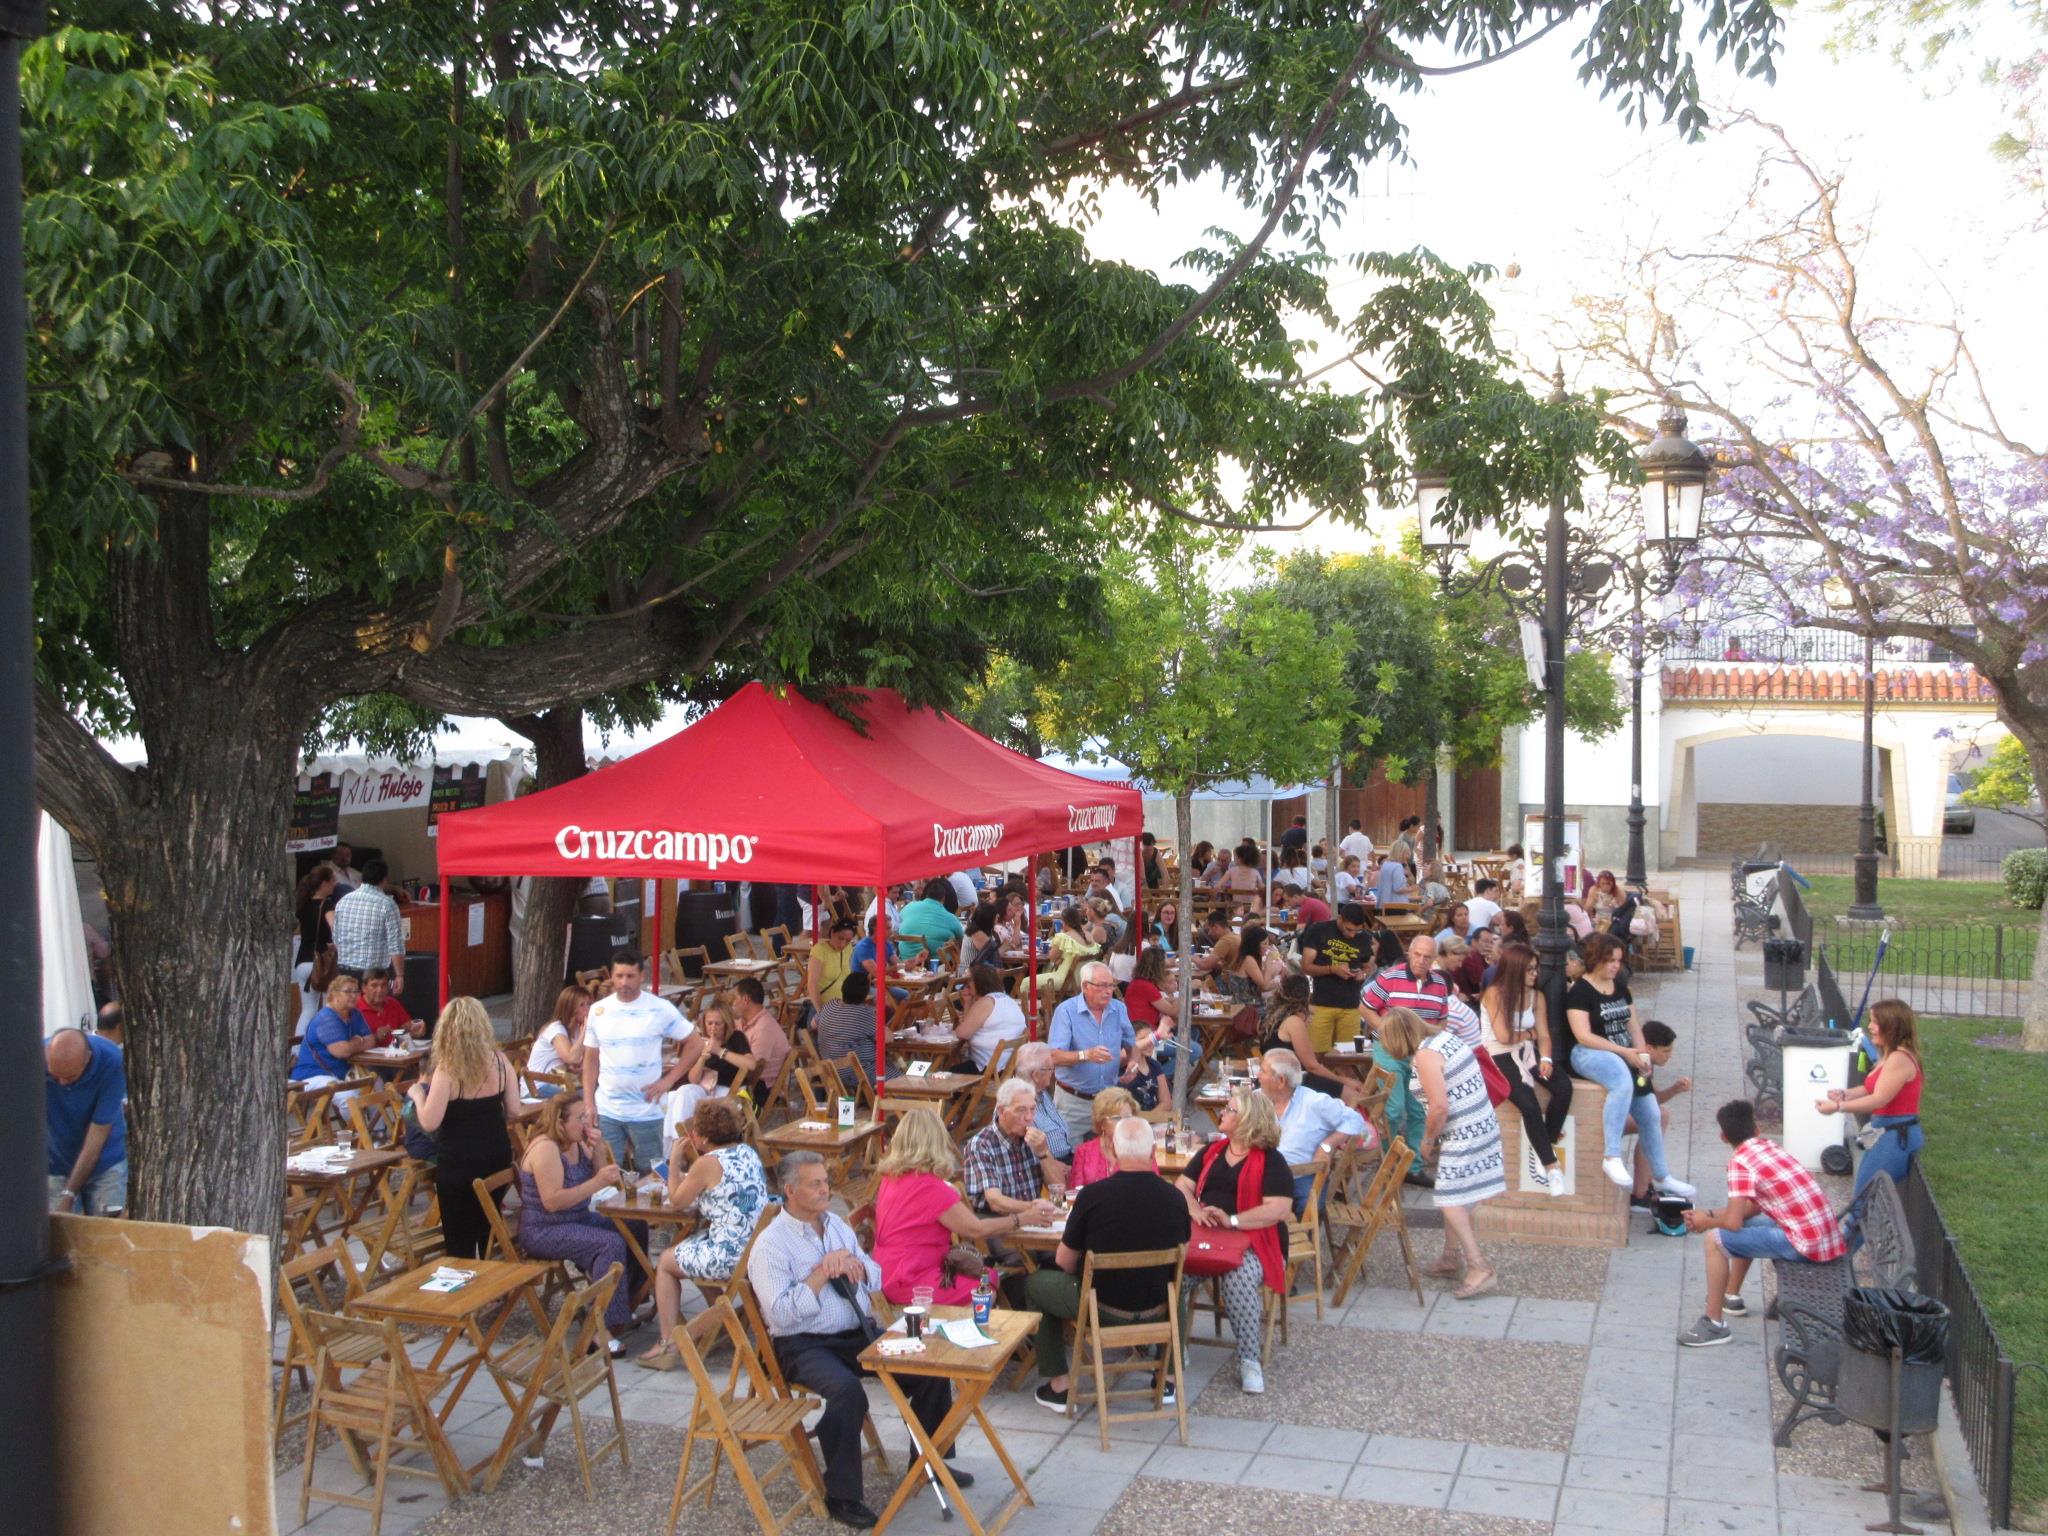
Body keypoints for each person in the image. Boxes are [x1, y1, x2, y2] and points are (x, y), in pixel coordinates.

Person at [748, 1151, 958, 1528]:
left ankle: (928, 1463)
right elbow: (780, 1315)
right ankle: (842, 1495)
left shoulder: (837, 1226)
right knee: (847, 1392)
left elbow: (877, 1276)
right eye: (815, 1184)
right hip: (803, 1344)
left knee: (928, 1366)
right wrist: (821, 1273)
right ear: (790, 1191)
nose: (825, 1189)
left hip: (856, 1331)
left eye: (826, 1182)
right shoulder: (771, 1244)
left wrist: (855, 1264)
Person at [1027, 1114, 1189, 1410]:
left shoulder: (1092, 1197)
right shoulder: (1175, 1199)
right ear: (1153, 1152)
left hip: (1100, 1308)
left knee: (1036, 1284)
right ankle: (1167, 1378)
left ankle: (1060, 1385)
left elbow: (1063, 1261)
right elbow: (1181, 1258)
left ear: (1113, 1150)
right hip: (1157, 1307)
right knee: (1176, 1285)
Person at [1679, 1099, 1846, 1347]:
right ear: (1757, 1129)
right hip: (1823, 1237)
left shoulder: (1740, 1163)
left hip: (1806, 1245)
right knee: (1750, 1224)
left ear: (1723, 1137)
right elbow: (1752, 1208)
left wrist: (1707, 1222)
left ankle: (1714, 1325)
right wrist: (1710, 1215)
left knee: (1714, 1241)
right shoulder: (1768, 1147)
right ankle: (1730, 1296)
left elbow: (1733, 1223)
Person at [1376, 1005, 1505, 1298]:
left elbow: (1439, 1107)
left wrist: (1427, 1140)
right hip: (1480, 1123)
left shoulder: (1426, 1055)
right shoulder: (1444, 1038)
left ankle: (1479, 1265)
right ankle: (1450, 1257)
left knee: (1449, 1198)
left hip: (1465, 1132)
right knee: (1457, 1196)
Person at [1173, 1085, 1293, 1395]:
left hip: (1256, 1241)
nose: (1222, 1113)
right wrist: (1195, 1210)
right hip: (1209, 1238)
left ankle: (1249, 1360)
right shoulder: (1212, 1152)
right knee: (1171, 1272)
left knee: (1238, 1279)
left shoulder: (1272, 1161)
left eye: (1229, 1109)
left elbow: (1279, 1209)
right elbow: (1182, 1186)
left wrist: (1233, 1220)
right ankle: (1173, 1346)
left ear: (1248, 1119)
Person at [639, 1097, 771, 1368]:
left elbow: (677, 1202)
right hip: (757, 1248)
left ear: (702, 1136)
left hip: (732, 1255)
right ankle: (721, 1320)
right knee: (691, 1251)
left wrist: (673, 1163)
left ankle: (667, 1344)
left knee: (666, 1262)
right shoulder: (747, 1152)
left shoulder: (707, 1163)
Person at [874, 1106, 1054, 1304]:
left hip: (888, 1271)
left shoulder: (891, 1178)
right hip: (911, 1278)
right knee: (985, 1286)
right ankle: (971, 1324)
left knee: (982, 1275)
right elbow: (975, 1229)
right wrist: (1021, 1219)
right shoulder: (930, 1187)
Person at [1565, 934, 1694, 1197]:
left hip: (1625, 1052)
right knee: (1621, 1079)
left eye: (1618, 961)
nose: (1616, 966)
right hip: (1591, 1052)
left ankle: (1661, 1175)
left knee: (1651, 1112)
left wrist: (1642, 1056)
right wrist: (1626, 1052)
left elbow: (1633, 1026)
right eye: (1610, 960)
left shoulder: (1621, 987)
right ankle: (1611, 1155)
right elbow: (1583, 1035)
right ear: (1596, 959)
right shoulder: (1580, 991)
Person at [516, 1092, 643, 1337]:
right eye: (580, 1118)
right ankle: (600, 1328)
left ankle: (626, 1301)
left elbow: (598, 1175)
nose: (586, 1122)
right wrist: (597, 1182)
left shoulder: (575, 1142)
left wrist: (598, 1149)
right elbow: (552, 1202)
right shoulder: (546, 1148)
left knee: (633, 1225)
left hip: (577, 1218)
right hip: (545, 1229)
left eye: (585, 1116)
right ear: (559, 1122)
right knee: (609, 1243)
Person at [416, 996, 521, 1260]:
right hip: (495, 1153)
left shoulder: (447, 1070)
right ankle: (491, 1275)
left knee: (459, 1237)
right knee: (488, 1224)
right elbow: (514, 1111)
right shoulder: (500, 1061)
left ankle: (465, 1280)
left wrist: (418, 1096)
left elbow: (429, 1122)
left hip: (460, 1160)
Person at [581, 951, 697, 1173]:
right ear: (611, 976)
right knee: (607, 1171)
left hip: (646, 1110)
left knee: (653, 1171)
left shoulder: (660, 1008)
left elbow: (695, 1043)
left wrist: (669, 1081)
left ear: (642, 976)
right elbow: (591, 1058)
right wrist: (588, 1103)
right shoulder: (598, 1010)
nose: (624, 982)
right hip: (607, 1109)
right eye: (619, 976)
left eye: (630, 976)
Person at [1479, 942, 1570, 1196]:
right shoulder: (1495, 993)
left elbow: (1544, 1034)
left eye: (1535, 968)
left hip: (1526, 1050)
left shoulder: (1536, 996)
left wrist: (1547, 1059)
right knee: (1528, 1104)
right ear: (1515, 969)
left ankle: (1544, 1146)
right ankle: (1551, 1166)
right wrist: (1529, 1034)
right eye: (1529, 969)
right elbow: (1503, 1036)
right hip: (1498, 1053)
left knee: (1563, 1087)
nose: (1534, 973)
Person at [1818, 998, 1924, 1211]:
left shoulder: (1899, 1059)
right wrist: (1845, 1094)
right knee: (1863, 1197)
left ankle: (1849, 1235)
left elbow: (1879, 1099)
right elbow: (1870, 1088)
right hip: (1885, 1131)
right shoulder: (1889, 1055)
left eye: (1876, 1022)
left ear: (1891, 1026)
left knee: (1862, 1200)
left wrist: (1838, 1108)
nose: (1870, 1027)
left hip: (1896, 1136)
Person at [1362, 935, 1450, 1187]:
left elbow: (1442, 1019)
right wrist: (1387, 1030)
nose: (1421, 960)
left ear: (1434, 959)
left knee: (1418, 1109)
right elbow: (1365, 1007)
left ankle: (1413, 1167)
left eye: (1427, 957)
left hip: (1419, 1054)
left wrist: (1432, 1040)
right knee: (1393, 1108)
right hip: (1389, 1048)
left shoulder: (1439, 984)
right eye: (1417, 954)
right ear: (1409, 953)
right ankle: (1388, 1163)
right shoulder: (1390, 977)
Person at [1259, 1048, 1368, 1210]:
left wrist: (1327, 1144)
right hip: (1262, 1174)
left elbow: (1355, 1120)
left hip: (1301, 1175)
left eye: (1263, 1071)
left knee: (1309, 1207)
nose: (1258, 1075)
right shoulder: (1257, 1099)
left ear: (1281, 1081)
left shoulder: (1314, 1102)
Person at [1047, 961, 1137, 1144]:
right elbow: (1053, 1056)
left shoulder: (1119, 1009)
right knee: (1070, 1154)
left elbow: (1131, 1043)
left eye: (1111, 985)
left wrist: (1133, 1062)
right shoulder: (1066, 1011)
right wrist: (1085, 1055)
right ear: (1085, 986)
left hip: (1109, 1100)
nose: (1108, 991)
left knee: (1111, 1152)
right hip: (1073, 1101)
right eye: (1102, 985)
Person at [46, 1028, 127, 1216]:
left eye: (69, 1078)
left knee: (107, 1230)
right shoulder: (34, 1057)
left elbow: (96, 1138)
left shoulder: (112, 1062)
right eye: (55, 1076)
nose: (62, 1084)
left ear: (87, 1059)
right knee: (58, 1231)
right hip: (55, 1163)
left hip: (105, 1163)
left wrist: (69, 1194)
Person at [963, 1077, 1072, 1215]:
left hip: (1034, 1219)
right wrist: (1033, 1208)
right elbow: (995, 1202)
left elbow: (1059, 1191)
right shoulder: (981, 1144)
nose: (1029, 1117)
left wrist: (1044, 1153)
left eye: (1033, 1109)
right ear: (1001, 1111)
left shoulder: (1035, 1140)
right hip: (996, 1221)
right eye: (1021, 1110)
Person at [1294, 902, 1372, 1056]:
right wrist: (1332, 969)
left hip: (1351, 1005)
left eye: (1357, 931)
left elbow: (1367, 966)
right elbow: (1306, 966)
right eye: (1349, 929)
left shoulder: (1364, 938)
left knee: (1349, 1056)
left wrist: (1362, 974)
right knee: (1317, 1054)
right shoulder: (1319, 930)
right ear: (1340, 919)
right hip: (1321, 1003)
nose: (1352, 935)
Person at [1629, 1021, 1693, 1207]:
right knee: (1657, 1118)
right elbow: (1649, 1103)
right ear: (1649, 1048)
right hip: (1611, 1115)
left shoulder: (1645, 1060)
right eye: (1666, 1051)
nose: (1669, 1056)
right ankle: (1641, 1192)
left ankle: (1645, 1185)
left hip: (1628, 1110)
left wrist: (1674, 1089)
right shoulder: (1638, 1062)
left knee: (1657, 1116)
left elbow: (1651, 1098)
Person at [1258, 978, 1353, 1099]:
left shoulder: (1268, 1019)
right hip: (1293, 1081)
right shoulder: (1294, 1022)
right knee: (1352, 1095)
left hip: (1272, 1077)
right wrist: (1344, 1081)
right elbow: (1312, 1066)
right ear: (1307, 997)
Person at [290, 974, 372, 1087]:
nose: (353, 995)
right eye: (348, 991)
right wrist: (359, 1040)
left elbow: (371, 1041)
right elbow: (342, 1051)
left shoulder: (355, 1013)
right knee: (349, 1094)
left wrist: (351, 1045)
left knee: (377, 1083)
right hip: (312, 1076)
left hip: (341, 1076)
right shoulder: (326, 1018)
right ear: (334, 994)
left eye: (356, 991)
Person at [332, 859, 405, 984]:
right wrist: (399, 975)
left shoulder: (343, 901)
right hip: (373, 974)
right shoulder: (387, 904)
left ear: (362, 877)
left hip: (345, 970)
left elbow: (336, 938)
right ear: (384, 879)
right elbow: (395, 944)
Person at [1066, 1085, 1152, 1188]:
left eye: (1127, 1117)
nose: (1123, 1123)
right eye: (1117, 1118)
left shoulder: (1142, 1149)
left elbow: (1152, 1187)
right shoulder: (1084, 1152)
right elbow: (1076, 1192)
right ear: (1101, 1122)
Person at [953, 964, 1028, 1071]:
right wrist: (968, 1003)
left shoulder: (985, 1003)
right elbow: (970, 1026)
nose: (967, 984)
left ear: (979, 983)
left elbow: (962, 1034)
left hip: (988, 1069)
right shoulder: (1007, 999)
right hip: (1007, 1067)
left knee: (941, 1075)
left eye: (969, 981)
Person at [292, 862, 337, 1035]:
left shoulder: (303, 905)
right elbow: (334, 927)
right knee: (328, 1007)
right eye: (332, 881)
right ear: (324, 883)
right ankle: (326, 1043)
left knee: (308, 1010)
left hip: (302, 962)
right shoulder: (326, 905)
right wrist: (337, 943)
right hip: (321, 963)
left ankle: (297, 1047)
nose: (334, 885)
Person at [815, 970, 879, 1085]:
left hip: (832, 1071)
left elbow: (812, 1024)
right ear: (865, 994)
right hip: (861, 1072)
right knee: (903, 1079)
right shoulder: (864, 1014)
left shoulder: (830, 1005)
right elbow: (886, 1038)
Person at [1015, 1041, 1077, 1159]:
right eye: (1051, 1069)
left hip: (1067, 1156)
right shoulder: (1018, 1105)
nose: (1053, 1072)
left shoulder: (1040, 1091)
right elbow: (1024, 1156)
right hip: (1048, 1165)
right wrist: (1056, 1165)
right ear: (1036, 1075)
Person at [733, 977, 791, 1101]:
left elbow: (752, 1071)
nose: (732, 1004)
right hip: (747, 1083)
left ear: (745, 1000)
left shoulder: (763, 1029)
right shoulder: (744, 1021)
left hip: (759, 1090)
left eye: (735, 999)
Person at [526, 985, 591, 1093]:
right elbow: (571, 1058)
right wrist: (586, 1030)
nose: (587, 1009)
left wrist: (579, 1065)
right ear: (570, 1008)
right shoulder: (556, 1029)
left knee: (597, 1086)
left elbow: (580, 1060)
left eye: (588, 1004)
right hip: (538, 1086)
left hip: (560, 1079)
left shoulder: (577, 1030)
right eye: (582, 1005)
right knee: (589, 1093)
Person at [1037, 903, 1101, 997]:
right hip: (1085, 980)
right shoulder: (1089, 935)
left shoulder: (1064, 937)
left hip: (1065, 981)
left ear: (1063, 922)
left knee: (1026, 983)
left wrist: (1059, 960)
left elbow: (1052, 958)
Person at [897, 878, 967, 958]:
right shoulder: (950, 918)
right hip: (935, 963)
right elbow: (962, 940)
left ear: (926, 895)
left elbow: (899, 921)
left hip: (905, 959)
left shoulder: (908, 907)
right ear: (943, 898)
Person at [807, 916, 858, 1015]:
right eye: (840, 938)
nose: (843, 944)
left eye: (847, 940)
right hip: (825, 1007)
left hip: (844, 1006)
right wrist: (820, 1012)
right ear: (832, 933)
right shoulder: (819, 950)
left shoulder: (848, 949)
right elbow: (812, 984)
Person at [355, 966, 416, 1047]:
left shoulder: (393, 1003)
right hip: (367, 1055)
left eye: (383, 985)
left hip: (395, 1052)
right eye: (374, 985)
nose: (380, 990)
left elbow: (408, 1027)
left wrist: (416, 1029)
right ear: (363, 988)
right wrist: (376, 1037)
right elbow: (351, 1042)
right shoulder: (354, 1008)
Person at [1192, 911, 1240, 977]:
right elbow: (1227, 965)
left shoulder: (1225, 941)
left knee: (1196, 982)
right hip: (1236, 978)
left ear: (1215, 927)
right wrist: (1212, 963)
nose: (1208, 933)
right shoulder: (1235, 936)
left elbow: (1204, 965)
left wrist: (1192, 957)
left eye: (1209, 929)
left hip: (1230, 981)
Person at [959, 903, 1003, 974]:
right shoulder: (977, 933)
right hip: (970, 975)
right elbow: (993, 954)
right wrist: (1006, 946)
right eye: (995, 915)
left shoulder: (977, 930)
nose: (998, 916)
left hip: (978, 973)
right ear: (988, 918)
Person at [1221, 844, 1265, 910]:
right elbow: (1262, 889)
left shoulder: (1231, 871)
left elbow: (1218, 885)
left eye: (1235, 856)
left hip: (1237, 906)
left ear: (1240, 859)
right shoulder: (1255, 872)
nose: (1234, 859)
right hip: (1251, 906)